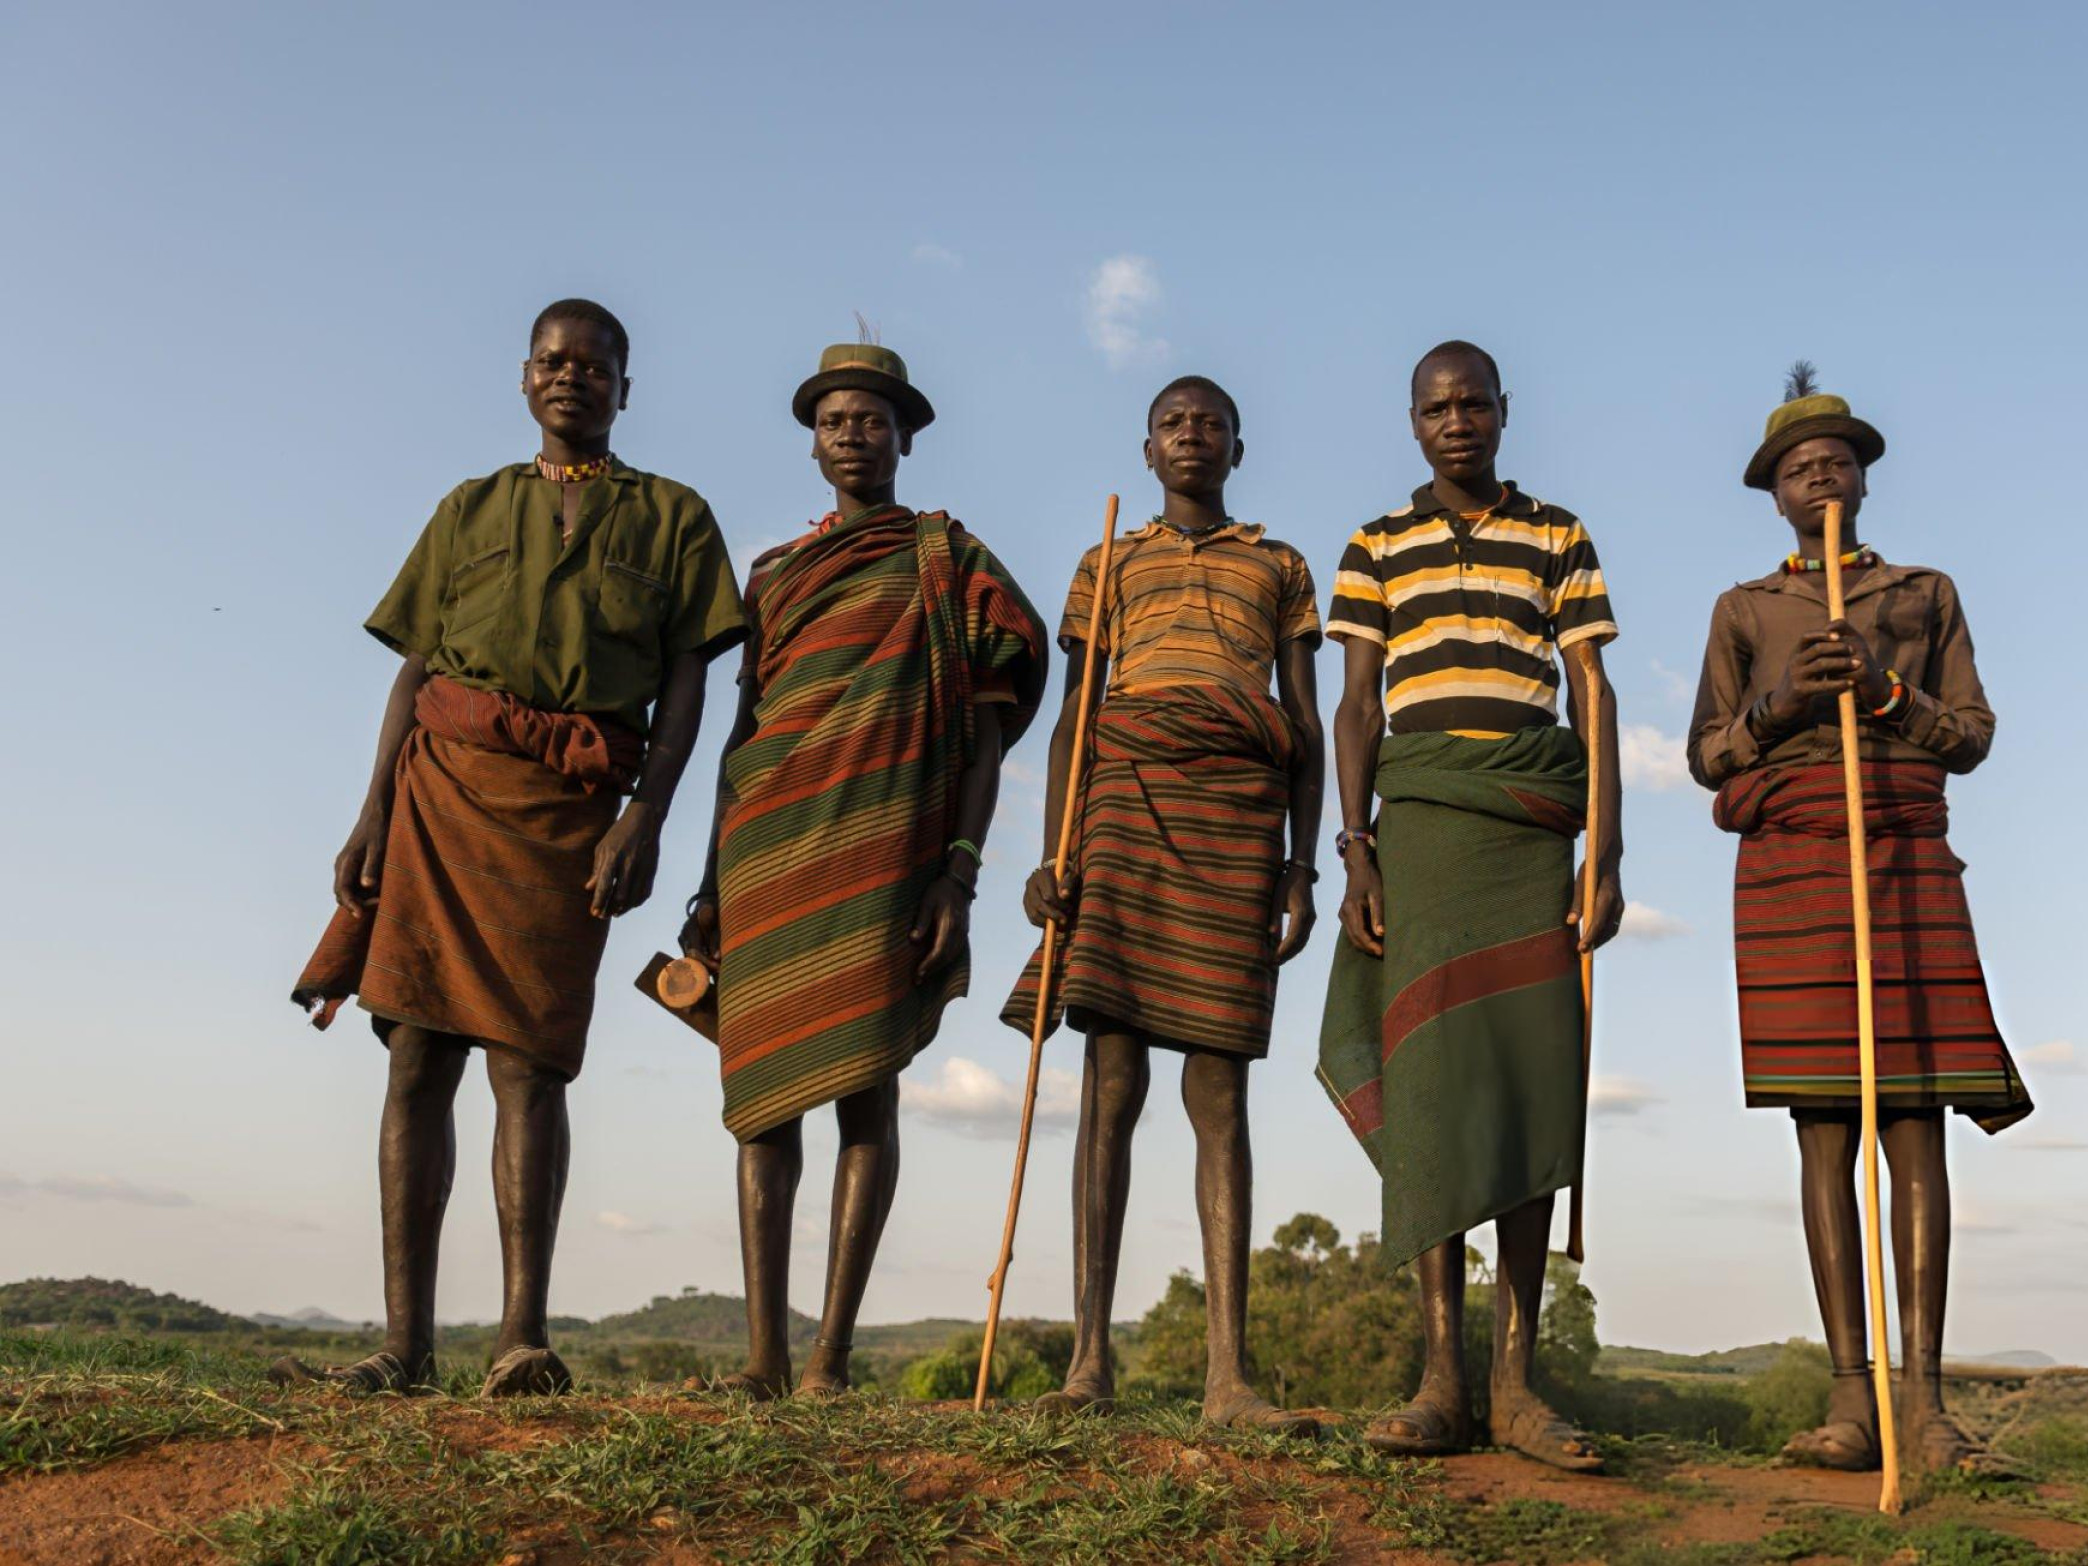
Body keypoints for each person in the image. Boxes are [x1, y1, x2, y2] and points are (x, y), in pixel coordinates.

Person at [288, 299, 744, 1396]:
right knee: (415, 1059)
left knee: (530, 1067)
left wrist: (648, 817)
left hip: (571, 812)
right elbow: (413, 674)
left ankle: (521, 1341)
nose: (572, 378)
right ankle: (405, 1349)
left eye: (597, 366)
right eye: (554, 361)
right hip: (438, 795)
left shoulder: (675, 517)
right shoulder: (469, 506)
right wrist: (368, 817)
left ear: (625, 390)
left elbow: (689, 688)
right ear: (525, 378)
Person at [680, 341, 1046, 1399]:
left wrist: (960, 874)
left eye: (873, 420)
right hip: (767, 849)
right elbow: (741, 732)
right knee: (761, 1102)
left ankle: (831, 1359)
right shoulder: (774, 576)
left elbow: (990, 728)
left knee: (869, 1092)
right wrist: (707, 886)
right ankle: (762, 1358)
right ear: (812, 440)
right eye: (836, 420)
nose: (854, 434)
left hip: (889, 849)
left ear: (906, 437)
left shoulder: (948, 559)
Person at [1685, 362, 2031, 1472]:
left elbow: (1973, 737)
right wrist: (1783, 705)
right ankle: (1852, 1407)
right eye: (1797, 466)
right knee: (1822, 1124)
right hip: (1793, 865)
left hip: (1900, 854)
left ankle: (1924, 1409)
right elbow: (1705, 756)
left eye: (1836, 458)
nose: (1818, 474)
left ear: (1864, 479)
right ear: (1773, 494)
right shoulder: (1745, 610)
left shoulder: (1923, 593)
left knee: (1915, 1116)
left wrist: (1888, 697)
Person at [1318, 340, 1624, 1468]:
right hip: (1424, 835)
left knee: (1528, 1094)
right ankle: (1442, 1377)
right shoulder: (1373, 543)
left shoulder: (1558, 533)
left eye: (1475, 404)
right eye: (1437, 408)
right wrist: (1356, 851)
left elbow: (1590, 688)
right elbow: (1356, 707)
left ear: (1504, 412)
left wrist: (1610, 854)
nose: (1457, 422)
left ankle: (1518, 1384)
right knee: (1438, 1095)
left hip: (1531, 836)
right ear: (1412, 422)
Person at [1002, 376, 1324, 1429]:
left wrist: (1302, 868)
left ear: (1241, 444)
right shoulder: (1111, 559)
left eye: (1211, 423)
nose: (1193, 436)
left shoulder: (1279, 563)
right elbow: (1071, 720)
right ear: (1147, 452)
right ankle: (1090, 1361)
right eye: (1173, 424)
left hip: (1236, 814)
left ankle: (1228, 1375)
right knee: (1110, 1079)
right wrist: (1054, 851)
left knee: (1219, 1089)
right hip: (1123, 805)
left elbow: (1306, 728)